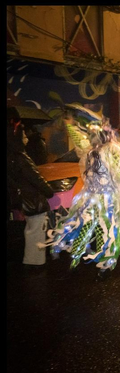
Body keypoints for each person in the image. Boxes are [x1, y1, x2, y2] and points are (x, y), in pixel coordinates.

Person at [43, 111, 120, 278]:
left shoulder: (91, 152)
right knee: (106, 230)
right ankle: (104, 265)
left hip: (92, 197)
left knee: (88, 226)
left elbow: (79, 141)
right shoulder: (111, 152)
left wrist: (70, 125)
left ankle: (76, 259)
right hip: (107, 198)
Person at [7, 107, 54, 266]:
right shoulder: (21, 156)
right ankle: (35, 262)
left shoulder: (12, 155)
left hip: (23, 197)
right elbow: (35, 176)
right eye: (23, 133)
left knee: (30, 229)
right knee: (36, 230)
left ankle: (30, 259)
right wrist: (48, 191)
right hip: (32, 198)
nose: (25, 135)